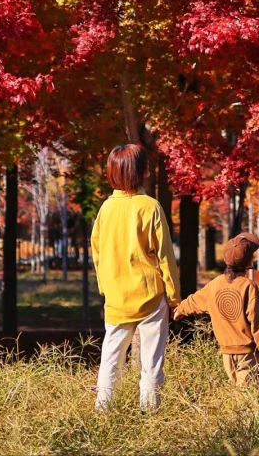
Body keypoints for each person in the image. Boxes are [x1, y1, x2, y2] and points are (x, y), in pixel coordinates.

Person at [90, 143, 178, 412]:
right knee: (151, 363)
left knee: (110, 358)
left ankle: (102, 411)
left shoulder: (106, 209)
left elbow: (98, 252)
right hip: (150, 297)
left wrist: (105, 287)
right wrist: (174, 296)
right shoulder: (150, 207)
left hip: (116, 297)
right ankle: (150, 415)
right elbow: (164, 256)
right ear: (141, 171)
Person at [172, 233, 259, 388]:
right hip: (247, 353)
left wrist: (180, 309)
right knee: (248, 399)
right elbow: (258, 321)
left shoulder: (215, 284)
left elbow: (195, 300)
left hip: (226, 353)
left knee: (237, 395)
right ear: (249, 262)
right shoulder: (248, 286)